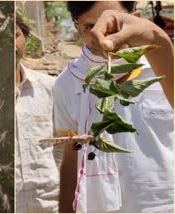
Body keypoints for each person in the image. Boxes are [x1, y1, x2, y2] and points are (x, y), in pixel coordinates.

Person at [54, 1, 174, 212]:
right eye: (90, 27)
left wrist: (159, 40)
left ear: (136, 19)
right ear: (77, 29)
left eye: (112, 25)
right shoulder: (68, 82)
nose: (102, 37)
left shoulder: (164, 69)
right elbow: (73, 153)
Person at [15, 14, 60, 213]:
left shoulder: (49, 88)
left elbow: (63, 148)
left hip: (49, 205)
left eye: (14, 35)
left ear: (25, 38)